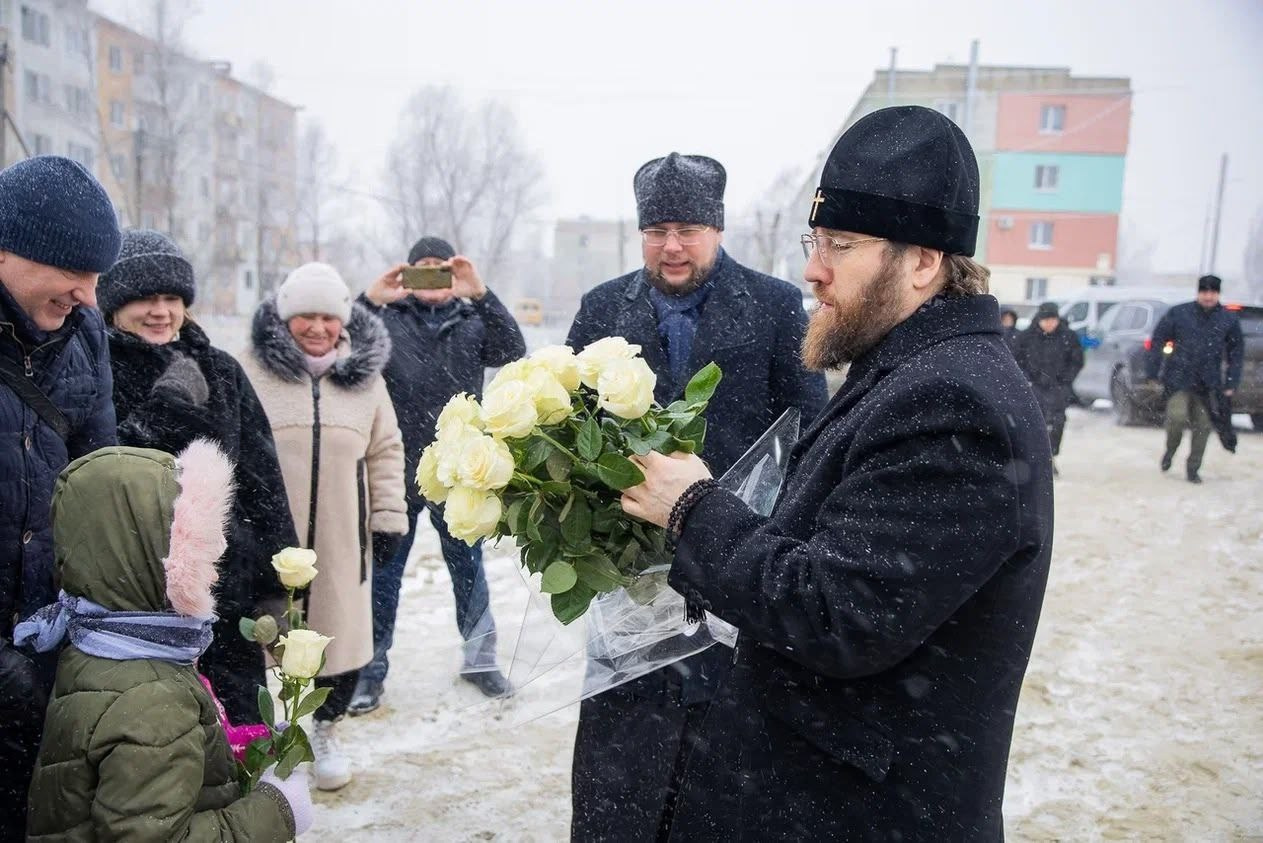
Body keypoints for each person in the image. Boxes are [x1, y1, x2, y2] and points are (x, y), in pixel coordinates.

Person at [619, 106, 1054, 840]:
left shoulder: (953, 402)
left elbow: (834, 612)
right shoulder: (908, 371)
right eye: (814, 241)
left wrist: (693, 507)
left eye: (840, 245)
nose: (813, 269)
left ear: (922, 260)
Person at [565, 152, 828, 841]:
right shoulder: (602, 307)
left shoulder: (773, 306)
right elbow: (563, 433)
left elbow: (809, 429)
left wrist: (768, 532)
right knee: (620, 766)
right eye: (655, 229)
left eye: (687, 228)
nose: (671, 246)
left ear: (717, 228)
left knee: (724, 759)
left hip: (735, 561)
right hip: (627, 576)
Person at [18, 441, 312, 841]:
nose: (220, 549)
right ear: (149, 560)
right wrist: (276, 811)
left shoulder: (105, 644)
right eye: (197, 543)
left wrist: (233, 747)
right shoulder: (150, 699)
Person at [96, 229, 298, 724]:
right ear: (114, 305)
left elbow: (261, 477)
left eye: (172, 298)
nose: (161, 311)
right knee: (159, 735)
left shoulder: (221, 370)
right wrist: (167, 409)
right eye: (145, 298)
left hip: (227, 589)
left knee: (240, 729)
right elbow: (101, 475)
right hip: (135, 594)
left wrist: (276, 583)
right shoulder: (95, 369)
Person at [242, 262, 408, 790]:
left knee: (339, 641)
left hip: (343, 538)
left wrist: (386, 518)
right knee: (268, 637)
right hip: (268, 535)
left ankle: (327, 730)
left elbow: (386, 451)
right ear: (284, 319)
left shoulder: (365, 381)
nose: (317, 328)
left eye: (328, 318)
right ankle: (274, 734)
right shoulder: (248, 370)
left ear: (345, 322)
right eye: (304, 317)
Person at [0, 154, 121, 839]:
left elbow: (97, 481)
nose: (89, 293)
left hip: (47, 656)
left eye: (96, 276)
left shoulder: (85, 336)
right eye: (75, 270)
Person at [353, 237, 525, 711]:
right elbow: (343, 348)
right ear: (407, 275)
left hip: (456, 471)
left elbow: (513, 351)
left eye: (440, 268)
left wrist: (481, 293)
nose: (431, 276)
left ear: (453, 274)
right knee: (385, 575)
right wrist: (370, 299)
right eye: (421, 269)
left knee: (468, 571)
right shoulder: (385, 321)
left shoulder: (473, 321)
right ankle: (369, 673)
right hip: (395, 467)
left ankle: (481, 664)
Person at [1146, 274, 1243, 484]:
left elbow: (1236, 352)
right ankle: (1170, 452)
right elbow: (1157, 339)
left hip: (1208, 384)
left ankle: (1193, 468)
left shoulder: (1227, 319)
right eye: (1204, 292)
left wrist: (1231, 382)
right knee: (1177, 418)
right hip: (1179, 379)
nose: (1208, 297)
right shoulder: (1180, 313)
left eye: (1213, 292)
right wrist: (1153, 372)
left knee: (1203, 427)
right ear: (1198, 292)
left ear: (1218, 294)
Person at [1015, 301, 1084, 474]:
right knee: (1034, 424)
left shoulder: (1068, 336)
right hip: (1033, 387)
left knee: (1057, 423)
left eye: (1053, 320)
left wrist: (1065, 380)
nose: (1049, 324)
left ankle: (1050, 456)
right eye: (1046, 320)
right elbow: (1016, 361)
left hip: (1058, 387)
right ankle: (1034, 459)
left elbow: (1076, 361)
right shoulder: (1026, 337)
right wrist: (1027, 380)